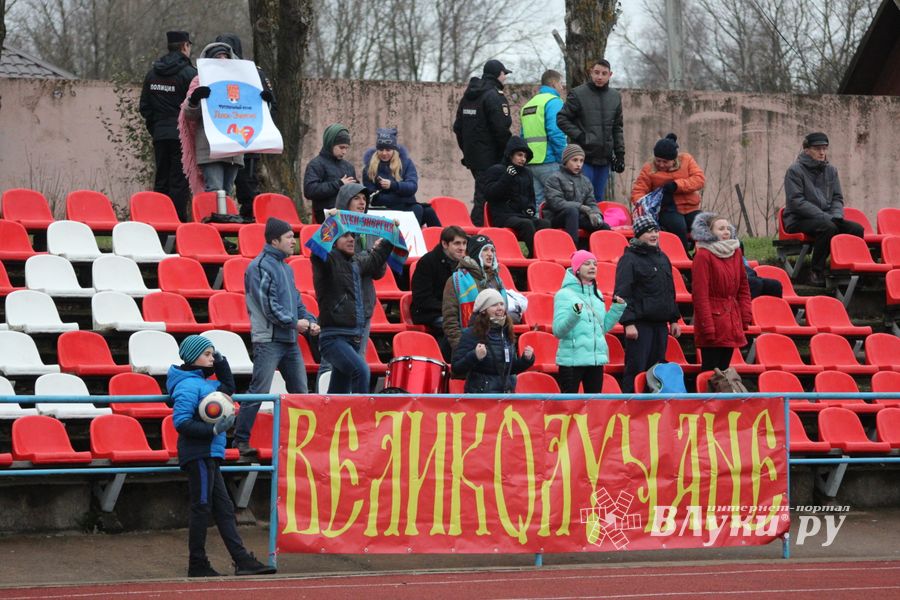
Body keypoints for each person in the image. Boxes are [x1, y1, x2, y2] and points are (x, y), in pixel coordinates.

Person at [167, 335, 276, 577]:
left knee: (224, 509)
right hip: (198, 454)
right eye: (207, 354)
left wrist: (220, 360)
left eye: (212, 354)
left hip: (210, 454)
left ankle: (241, 561)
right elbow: (181, 422)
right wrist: (214, 430)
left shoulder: (206, 384)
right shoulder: (187, 385)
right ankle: (197, 563)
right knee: (201, 507)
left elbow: (228, 387)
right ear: (192, 357)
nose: (211, 358)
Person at [237, 217, 319, 457]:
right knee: (259, 390)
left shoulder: (287, 267)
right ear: (274, 240)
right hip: (269, 340)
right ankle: (241, 440)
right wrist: (297, 323)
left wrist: (310, 320)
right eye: (288, 237)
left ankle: (302, 441)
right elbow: (268, 307)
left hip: (289, 339)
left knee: (300, 393)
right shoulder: (259, 266)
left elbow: (297, 300)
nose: (293, 240)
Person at [317, 183, 386, 390]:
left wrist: (379, 255)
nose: (362, 202)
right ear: (344, 201)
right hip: (338, 314)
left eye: (364, 199)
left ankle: (341, 412)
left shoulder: (371, 229)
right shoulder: (334, 227)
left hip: (362, 309)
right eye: (356, 198)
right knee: (334, 366)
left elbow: (378, 272)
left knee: (354, 365)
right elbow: (344, 262)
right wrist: (371, 256)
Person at [312, 229, 394, 393]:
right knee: (361, 371)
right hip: (333, 337)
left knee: (338, 394)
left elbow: (375, 259)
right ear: (333, 241)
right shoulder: (326, 259)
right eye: (345, 236)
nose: (351, 240)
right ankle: (360, 418)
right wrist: (331, 224)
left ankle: (332, 418)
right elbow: (317, 247)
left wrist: (390, 238)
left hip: (352, 337)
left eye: (353, 236)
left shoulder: (356, 262)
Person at [783, 131, 864, 286]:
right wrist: (824, 216)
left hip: (827, 218)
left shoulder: (831, 170)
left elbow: (837, 198)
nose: (822, 152)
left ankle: (847, 272)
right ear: (806, 150)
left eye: (824, 148)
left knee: (856, 229)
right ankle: (815, 272)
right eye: (817, 148)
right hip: (798, 220)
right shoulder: (794, 171)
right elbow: (796, 202)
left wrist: (835, 214)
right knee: (827, 227)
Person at [179, 42, 258, 197]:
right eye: (218, 57)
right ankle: (212, 220)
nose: (222, 60)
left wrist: (262, 102)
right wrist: (195, 100)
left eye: (225, 57)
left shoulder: (240, 84)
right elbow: (189, 115)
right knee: (214, 192)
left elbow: (252, 113)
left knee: (227, 194)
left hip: (233, 149)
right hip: (210, 149)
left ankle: (225, 221)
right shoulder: (199, 81)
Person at [613, 216, 682, 393]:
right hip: (640, 325)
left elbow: (670, 291)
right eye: (649, 231)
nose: (654, 235)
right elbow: (622, 293)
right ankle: (631, 405)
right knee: (636, 369)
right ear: (639, 234)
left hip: (660, 325)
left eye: (656, 231)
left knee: (656, 371)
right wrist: (628, 322)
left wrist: (674, 319)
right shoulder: (629, 259)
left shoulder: (663, 257)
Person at [214, 33, 276, 219]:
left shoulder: (253, 73)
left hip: (247, 143)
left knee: (247, 189)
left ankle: (250, 228)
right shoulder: (210, 74)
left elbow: (272, 107)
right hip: (220, 142)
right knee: (217, 192)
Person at [139, 31, 196, 221]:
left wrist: (156, 128)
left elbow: (144, 106)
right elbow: (196, 106)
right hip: (182, 137)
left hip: (160, 136)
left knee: (161, 180)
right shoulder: (189, 74)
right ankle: (177, 224)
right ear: (185, 46)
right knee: (179, 182)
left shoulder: (152, 73)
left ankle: (159, 222)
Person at [553, 250, 626, 393]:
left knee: (594, 405)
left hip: (595, 361)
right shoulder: (564, 294)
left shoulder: (597, 294)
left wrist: (617, 309)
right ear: (577, 269)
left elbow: (602, 327)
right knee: (569, 407)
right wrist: (574, 315)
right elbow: (558, 331)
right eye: (587, 264)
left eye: (595, 264)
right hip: (571, 361)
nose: (593, 267)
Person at [453, 59, 513, 226]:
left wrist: (468, 151)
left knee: (485, 194)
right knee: (484, 197)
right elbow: (501, 129)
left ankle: (486, 232)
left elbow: (458, 127)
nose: (505, 78)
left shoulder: (469, 96)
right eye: (504, 74)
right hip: (491, 158)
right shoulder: (493, 96)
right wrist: (507, 155)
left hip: (474, 158)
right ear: (498, 74)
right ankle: (476, 234)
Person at [690, 213, 753, 372]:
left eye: (727, 228)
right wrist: (707, 326)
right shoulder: (703, 256)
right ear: (710, 233)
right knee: (711, 371)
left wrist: (745, 315)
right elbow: (700, 295)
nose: (726, 231)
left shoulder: (736, 252)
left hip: (731, 318)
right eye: (721, 229)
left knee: (724, 370)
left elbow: (743, 286)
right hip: (713, 318)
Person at [556, 59, 625, 202]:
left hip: (604, 158)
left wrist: (620, 154)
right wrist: (581, 136)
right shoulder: (577, 94)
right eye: (596, 72)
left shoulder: (615, 97)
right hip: (583, 157)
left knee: (598, 199)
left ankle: (596, 224)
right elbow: (562, 119)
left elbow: (617, 127)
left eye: (604, 73)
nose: (600, 77)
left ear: (610, 75)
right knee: (581, 198)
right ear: (591, 73)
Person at [631, 133, 705, 251]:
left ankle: (704, 256)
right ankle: (683, 256)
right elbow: (638, 190)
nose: (661, 164)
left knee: (705, 225)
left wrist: (677, 185)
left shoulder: (686, 160)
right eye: (658, 161)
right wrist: (644, 206)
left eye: (665, 162)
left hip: (691, 208)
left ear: (674, 160)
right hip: (666, 209)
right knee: (678, 226)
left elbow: (699, 180)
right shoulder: (649, 168)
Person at [452, 289, 534, 393]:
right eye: (494, 305)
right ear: (483, 310)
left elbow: (509, 368)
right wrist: (475, 356)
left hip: (505, 396)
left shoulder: (506, 331)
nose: (500, 308)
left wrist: (526, 360)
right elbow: (456, 368)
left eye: (501, 304)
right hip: (481, 399)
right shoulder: (471, 333)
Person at [481, 136, 551, 256]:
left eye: (525, 156)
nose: (523, 159)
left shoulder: (527, 173)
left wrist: (531, 208)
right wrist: (507, 177)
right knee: (526, 224)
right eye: (519, 155)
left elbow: (530, 197)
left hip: (520, 215)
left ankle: (544, 255)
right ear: (510, 155)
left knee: (545, 224)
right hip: (503, 216)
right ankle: (535, 257)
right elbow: (489, 195)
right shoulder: (496, 170)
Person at [362, 127, 440, 227]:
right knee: (417, 209)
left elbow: (412, 187)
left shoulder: (406, 163)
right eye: (381, 149)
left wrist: (393, 185)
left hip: (407, 205)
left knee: (429, 211)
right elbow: (373, 198)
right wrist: (403, 196)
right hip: (385, 209)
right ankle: (408, 240)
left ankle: (443, 240)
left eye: (388, 149)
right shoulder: (369, 169)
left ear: (394, 150)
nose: (384, 153)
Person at [411, 225, 468, 358]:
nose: (462, 248)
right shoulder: (427, 262)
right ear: (444, 244)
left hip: (457, 311)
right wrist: (452, 309)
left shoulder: (466, 263)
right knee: (456, 325)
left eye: (464, 243)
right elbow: (422, 299)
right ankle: (447, 362)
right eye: (457, 243)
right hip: (430, 313)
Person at [442, 234, 507, 351]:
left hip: (496, 348)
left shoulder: (497, 280)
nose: (490, 254)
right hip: (469, 349)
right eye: (485, 250)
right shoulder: (456, 280)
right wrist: (462, 348)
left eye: (492, 250)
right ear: (476, 253)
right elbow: (450, 322)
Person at [543, 144, 610, 244]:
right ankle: (572, 248)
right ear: (566, 161)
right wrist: (582, 208)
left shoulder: (585, 181)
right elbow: (556, 203)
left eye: (581, 161)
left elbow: (591, 202)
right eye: (574, 160)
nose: (578, 164)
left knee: (603, 225)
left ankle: (604, 255)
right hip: (557, 217)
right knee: (572, 211)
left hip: (577, 217)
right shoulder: (554, 179)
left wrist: (596, 214)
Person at [520, 69, 567, 209]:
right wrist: (563, 158)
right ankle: (552, 231)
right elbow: (556, 132)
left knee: (536, 204)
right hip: (550, 160)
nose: (562, 87)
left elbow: (523, 135)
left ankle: (537, 231)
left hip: (530, 162)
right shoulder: (554, 102)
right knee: (557, 202)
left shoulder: (529, 105)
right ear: (553, 83)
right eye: (560, 83)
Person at [303, 123, 357, 223]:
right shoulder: (316, 164)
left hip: (348, 215)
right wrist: (339, 184)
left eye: (346, 148)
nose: (344, 152)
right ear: (330, 144)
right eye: (341, 147)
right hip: (325, 216)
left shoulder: (348, 167)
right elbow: (309, 191)